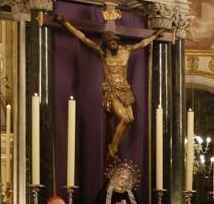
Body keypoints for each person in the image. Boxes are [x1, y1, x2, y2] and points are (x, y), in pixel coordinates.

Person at [55, 14, 165, 157]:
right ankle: (112, 146)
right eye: (109, 43)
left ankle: (114, 145)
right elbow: (83, 38)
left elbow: (142, 44)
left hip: (125, 89)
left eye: (114, 42)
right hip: (112, 90)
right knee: (124, 119)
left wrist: (155, 36)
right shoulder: (103, 53)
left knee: (130, 119)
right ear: (106, 44)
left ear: (117, 42)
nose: (112, 45)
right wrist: (66, 23)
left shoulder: (126, 51)